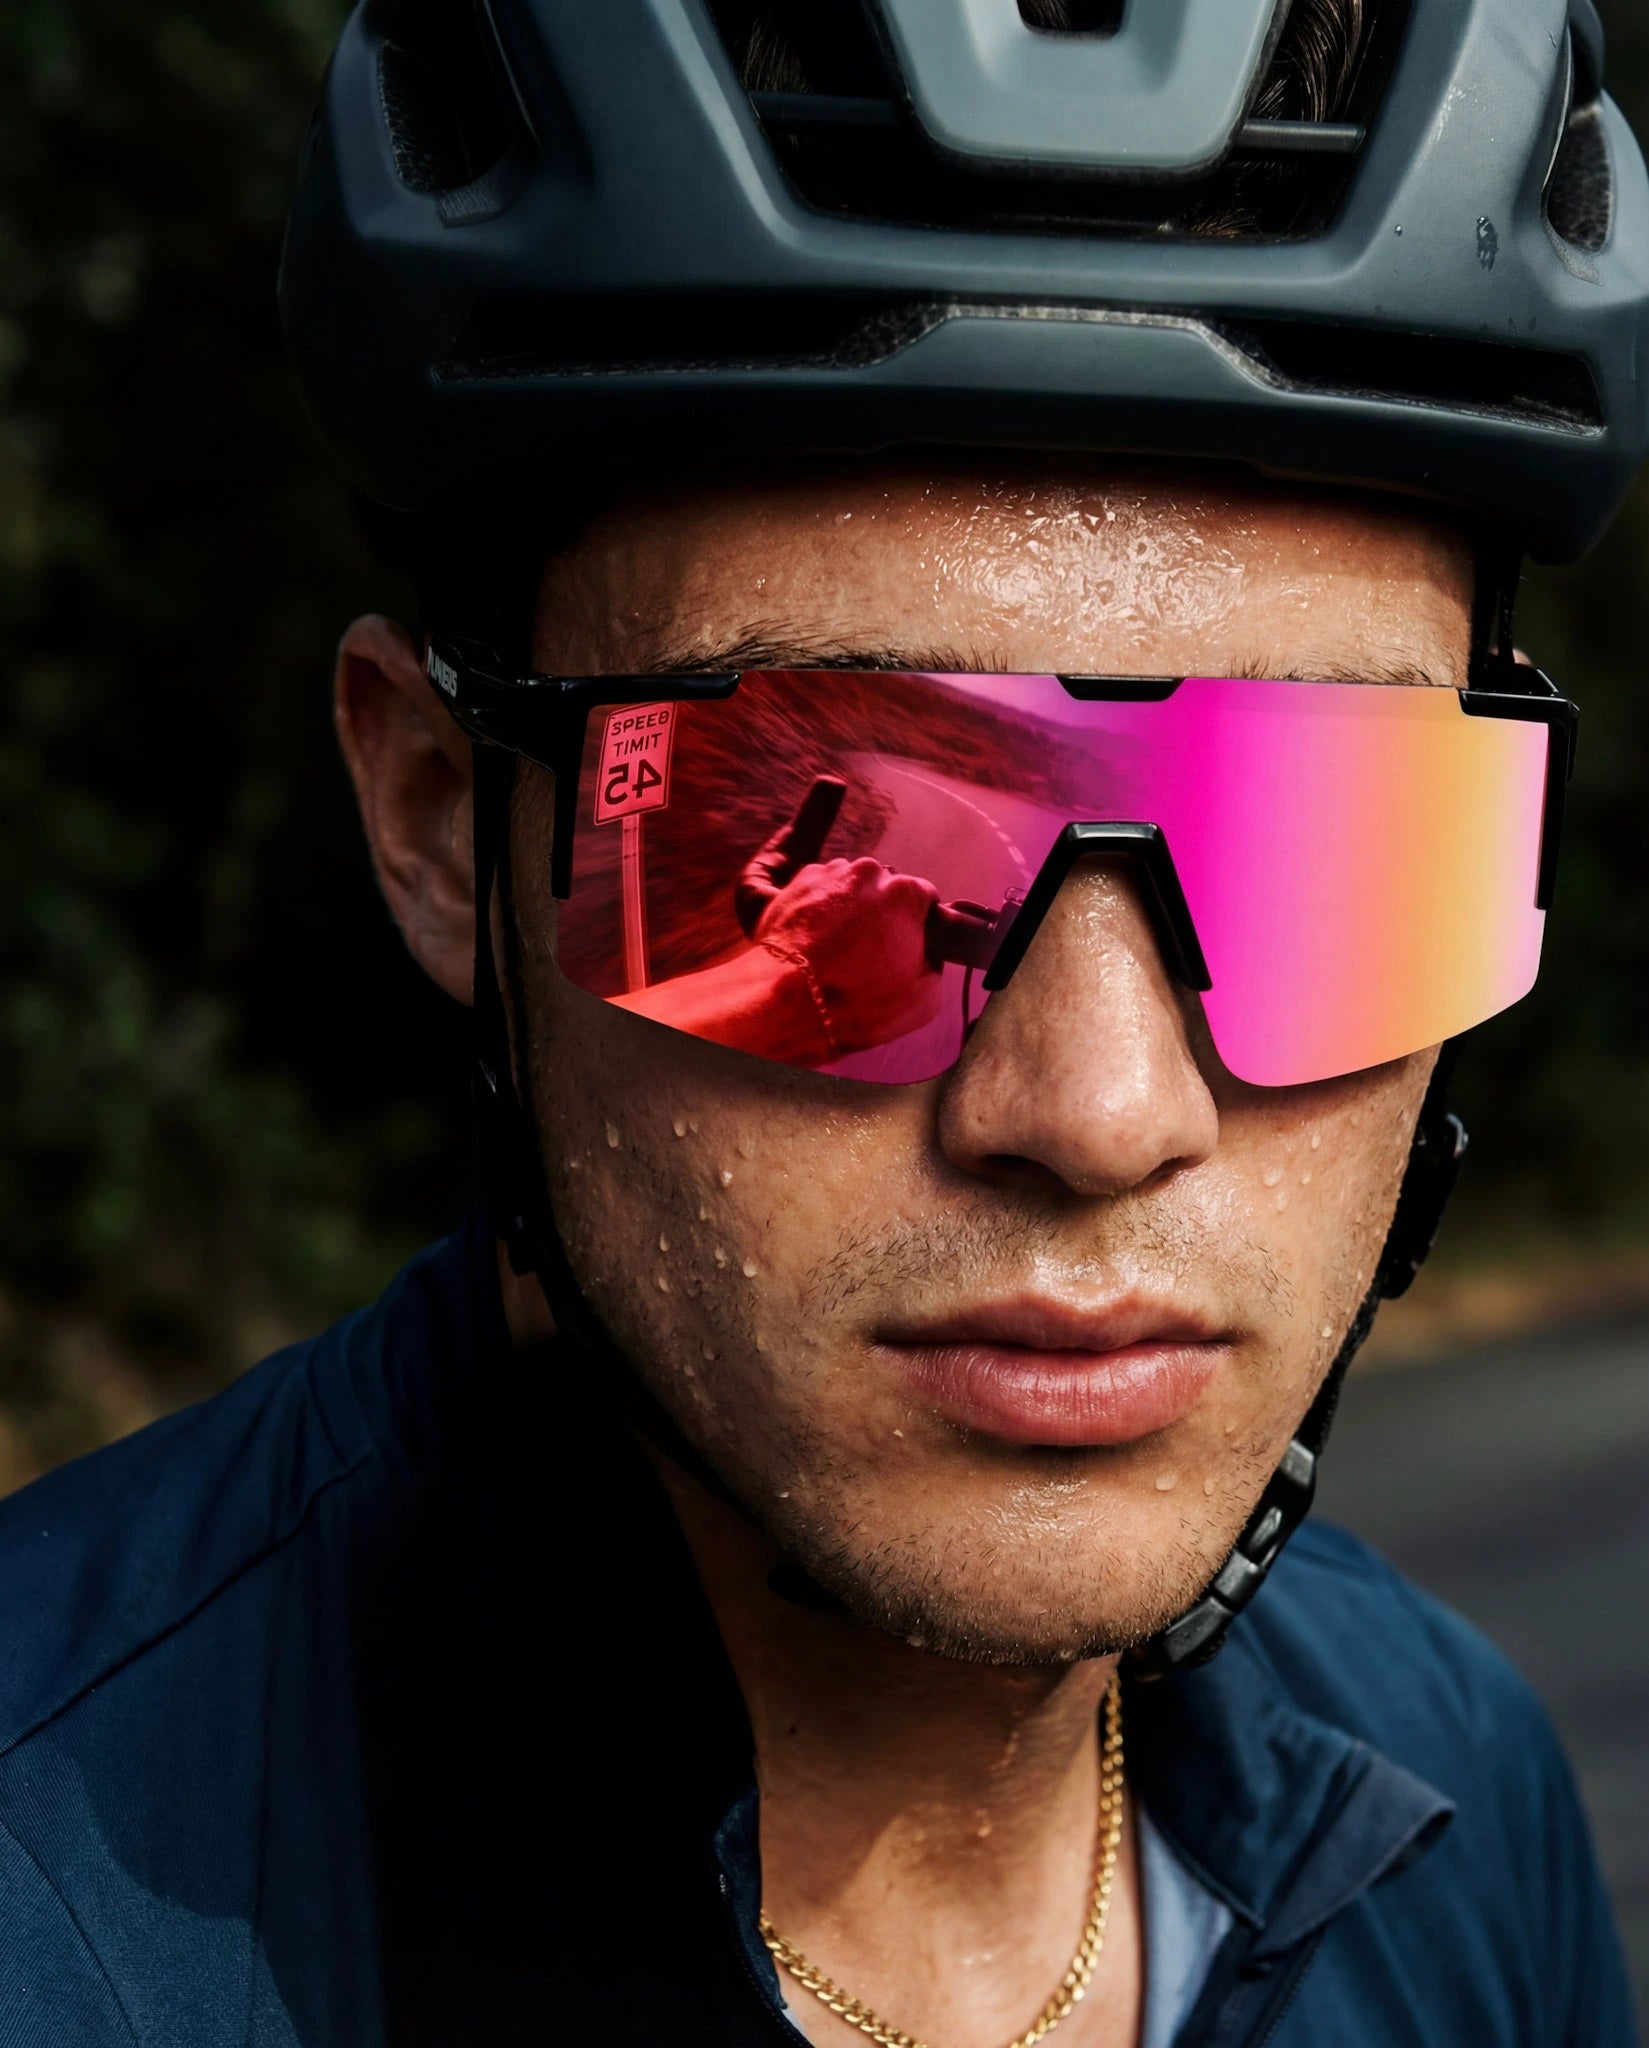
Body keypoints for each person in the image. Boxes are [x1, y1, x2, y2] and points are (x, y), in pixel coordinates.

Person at [0, 2, 1642, 2044]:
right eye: (822, 833)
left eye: (1336, 842)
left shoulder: (1463, 1800)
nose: (1102, 1104)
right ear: (438, 825)